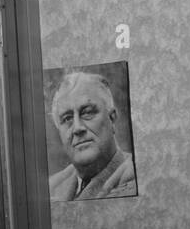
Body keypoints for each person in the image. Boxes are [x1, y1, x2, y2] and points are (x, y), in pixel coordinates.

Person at [48, 70, 137, 201]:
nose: (77, 128)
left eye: (87, 112)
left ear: (112, 118)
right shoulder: (52, 188)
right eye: (67, 119)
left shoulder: (134, 177)